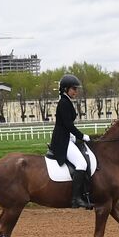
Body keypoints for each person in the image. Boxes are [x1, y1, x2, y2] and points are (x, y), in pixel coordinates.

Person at [49, 73, 94, 210]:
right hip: (62, 141)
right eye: (74, 89)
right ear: (65, 89)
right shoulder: (63, 102)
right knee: (81, 163)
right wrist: (81, 136)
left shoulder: (66, 101)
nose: (76, 91)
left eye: (76, 89)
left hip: (67, 138)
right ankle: (76, 199)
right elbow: (68, 125)